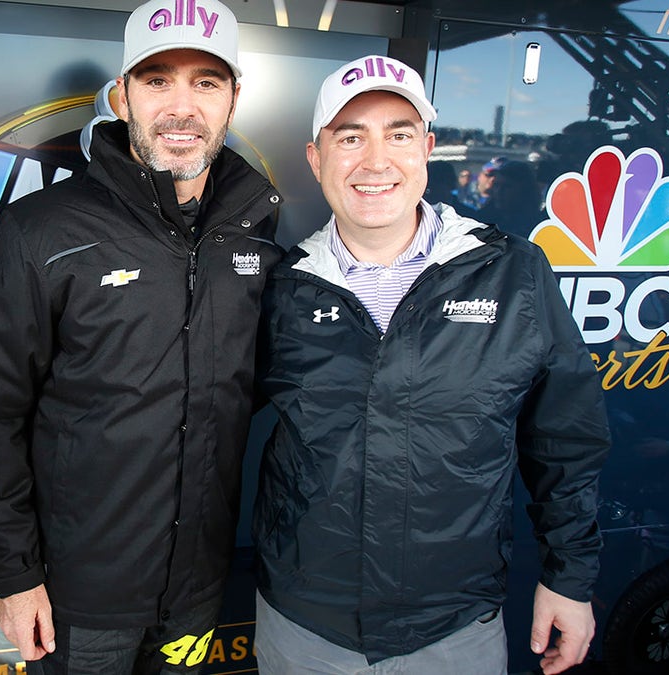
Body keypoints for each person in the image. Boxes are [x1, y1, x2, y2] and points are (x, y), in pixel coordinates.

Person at [252, 54, 610, 675]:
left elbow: (565, 441)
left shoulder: (513, 275)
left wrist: (570, 578)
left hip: (452, 629)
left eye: (399, 133)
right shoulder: (282, 288)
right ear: (316, 158)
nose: (375, 161)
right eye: (350, 136)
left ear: (427, 149)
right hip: (305, 625)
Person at [0, 0, 283, 672]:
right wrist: (16, 573)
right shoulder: (41, 231)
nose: (181, 106)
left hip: (197, 591)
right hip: (78, 595)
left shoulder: (255, 227)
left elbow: (241, 390)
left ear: (232, 100)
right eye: (157, 79)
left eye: (206, 82)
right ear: (122, 95)